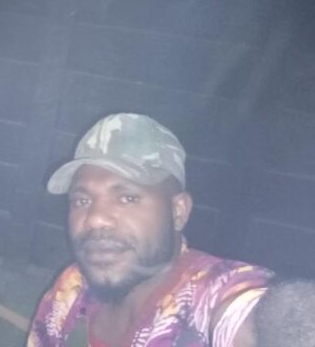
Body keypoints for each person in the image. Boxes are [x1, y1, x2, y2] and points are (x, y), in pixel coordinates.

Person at [27, 113, 273, 347]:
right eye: (82, 201)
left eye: (127, 198)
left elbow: (257, 317)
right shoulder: (71, 286)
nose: (95, 219)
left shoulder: (209, 295)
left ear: (178, 212)